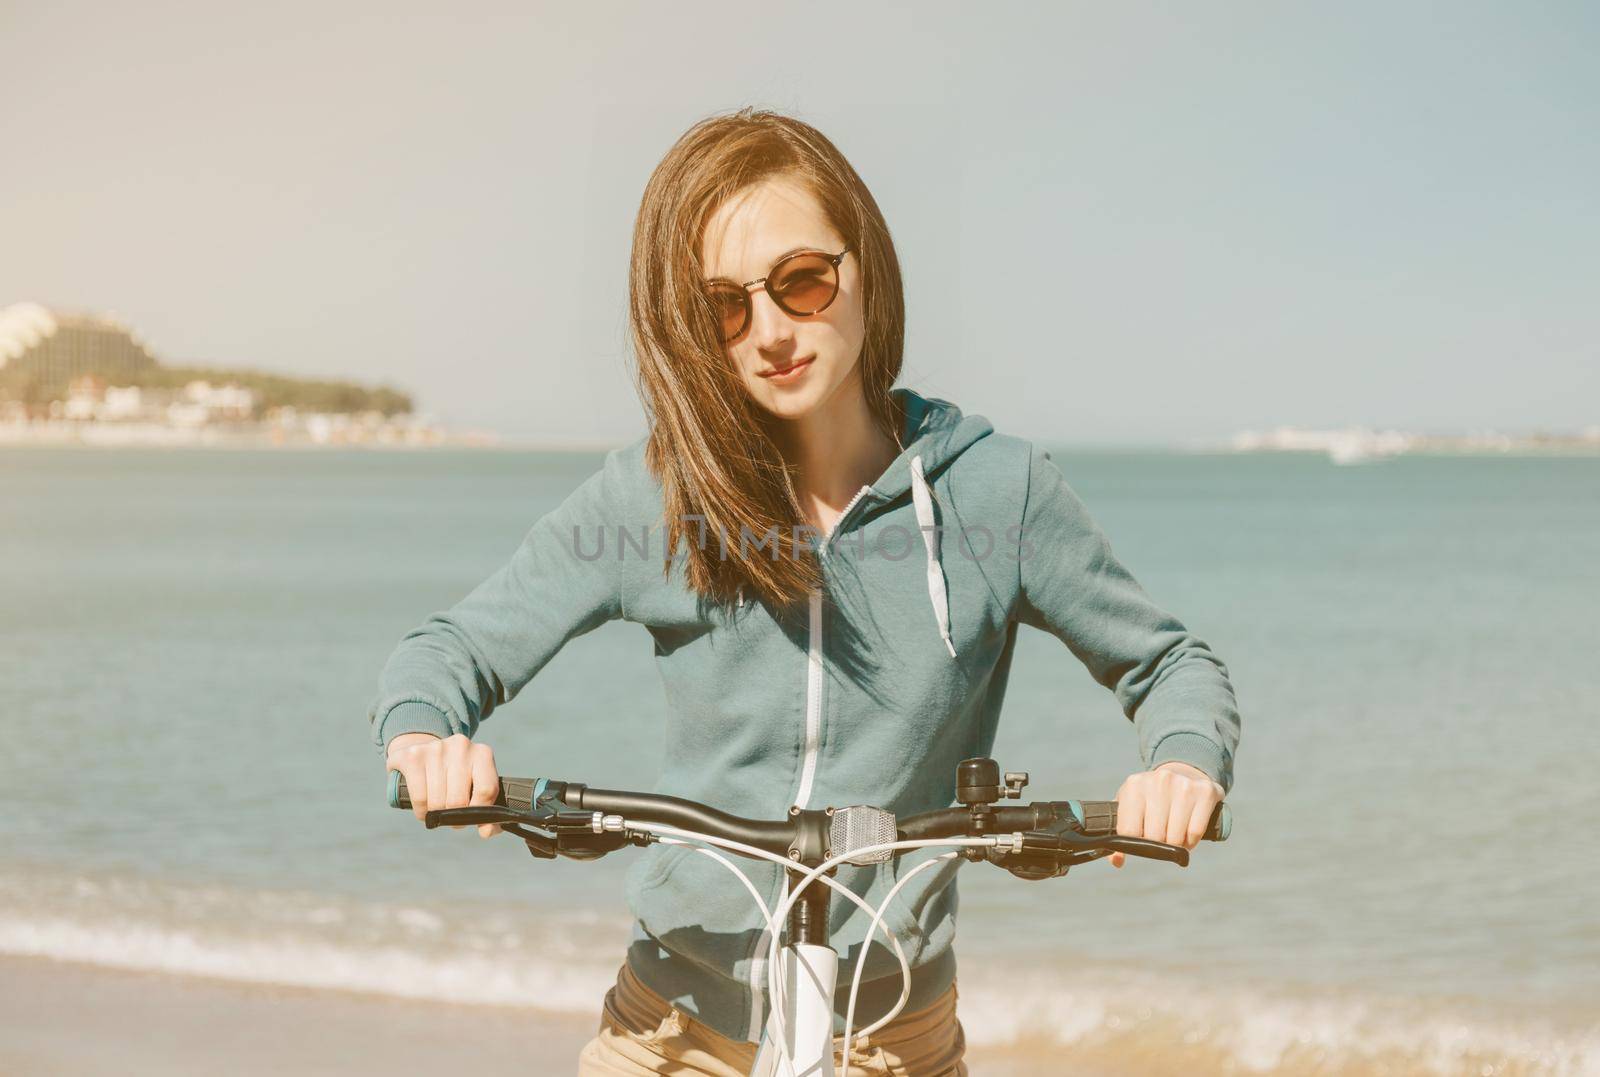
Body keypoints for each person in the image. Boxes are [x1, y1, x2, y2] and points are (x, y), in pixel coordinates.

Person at [369, 107, 1241, 1076]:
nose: (772, 332)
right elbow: (454, 650)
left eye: (801, 281)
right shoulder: (661, 494)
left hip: (891, 1032)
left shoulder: (1000, 493)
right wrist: (425, 740)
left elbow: (1168, 665)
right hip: (675, 1023)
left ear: (862, 264)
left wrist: (1182, 769)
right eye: (725, 307)